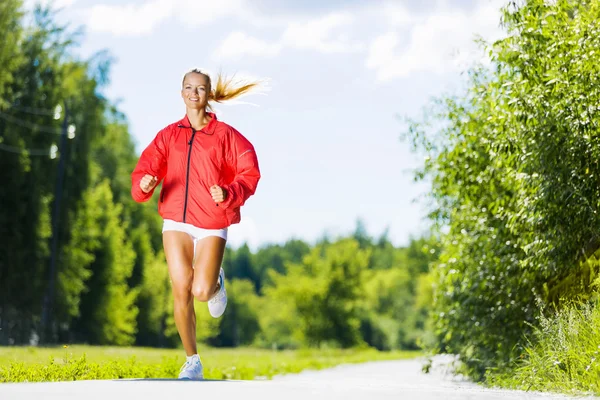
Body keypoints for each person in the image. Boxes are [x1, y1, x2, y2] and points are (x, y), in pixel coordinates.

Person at [130, 68, 261, 380]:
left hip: (211, 220)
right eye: (188, 88)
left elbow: (250, 172)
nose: (193, 93)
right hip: (175, 220)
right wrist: (146, 185)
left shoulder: (226, 136)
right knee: (181, 290)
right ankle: (192, 361)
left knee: (201, 291)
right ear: (181, 93)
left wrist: (229, 192)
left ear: (208, 95)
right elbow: (145, 170)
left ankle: (215, 281)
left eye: (200, 89)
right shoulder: (169, 135)